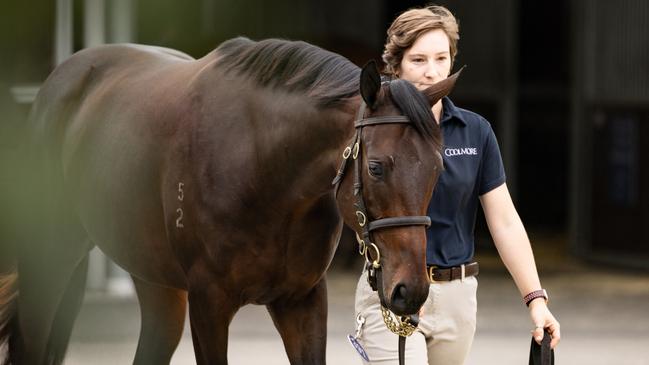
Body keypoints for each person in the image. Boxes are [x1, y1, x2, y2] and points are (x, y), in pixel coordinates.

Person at [353, 5, 561, 364]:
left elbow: (504, 221)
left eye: (440, 58)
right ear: (396, 64)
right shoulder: (374, 131)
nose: (431, 72)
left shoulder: (475, 131)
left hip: (457, 298)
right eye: (418, 60)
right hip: (394, 289)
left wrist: (536, 300)